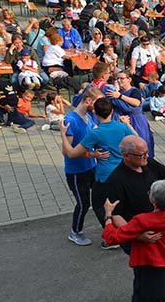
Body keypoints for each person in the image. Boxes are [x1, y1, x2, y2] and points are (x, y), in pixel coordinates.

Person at [61, 87, 107, 246]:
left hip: (91, 167)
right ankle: (75, 232)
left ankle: (109, 230)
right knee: (83, 203)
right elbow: (66, 151)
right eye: (97, 103)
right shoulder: (71, 120)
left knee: (100, 198)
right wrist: (91, 154)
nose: (100, 107)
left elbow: (96, 132)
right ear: (88, 101)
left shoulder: (88, 116)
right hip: (76, 171)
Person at [107, 71, 156, 159]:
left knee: (141, 142)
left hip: (136, 120)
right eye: (117, 79)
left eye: (122, 78)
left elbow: (136, 102)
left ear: (129, 80)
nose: (119, 80)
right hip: (124, 120)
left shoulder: (134, 91)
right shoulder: (119, 92)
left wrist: (120, 96)